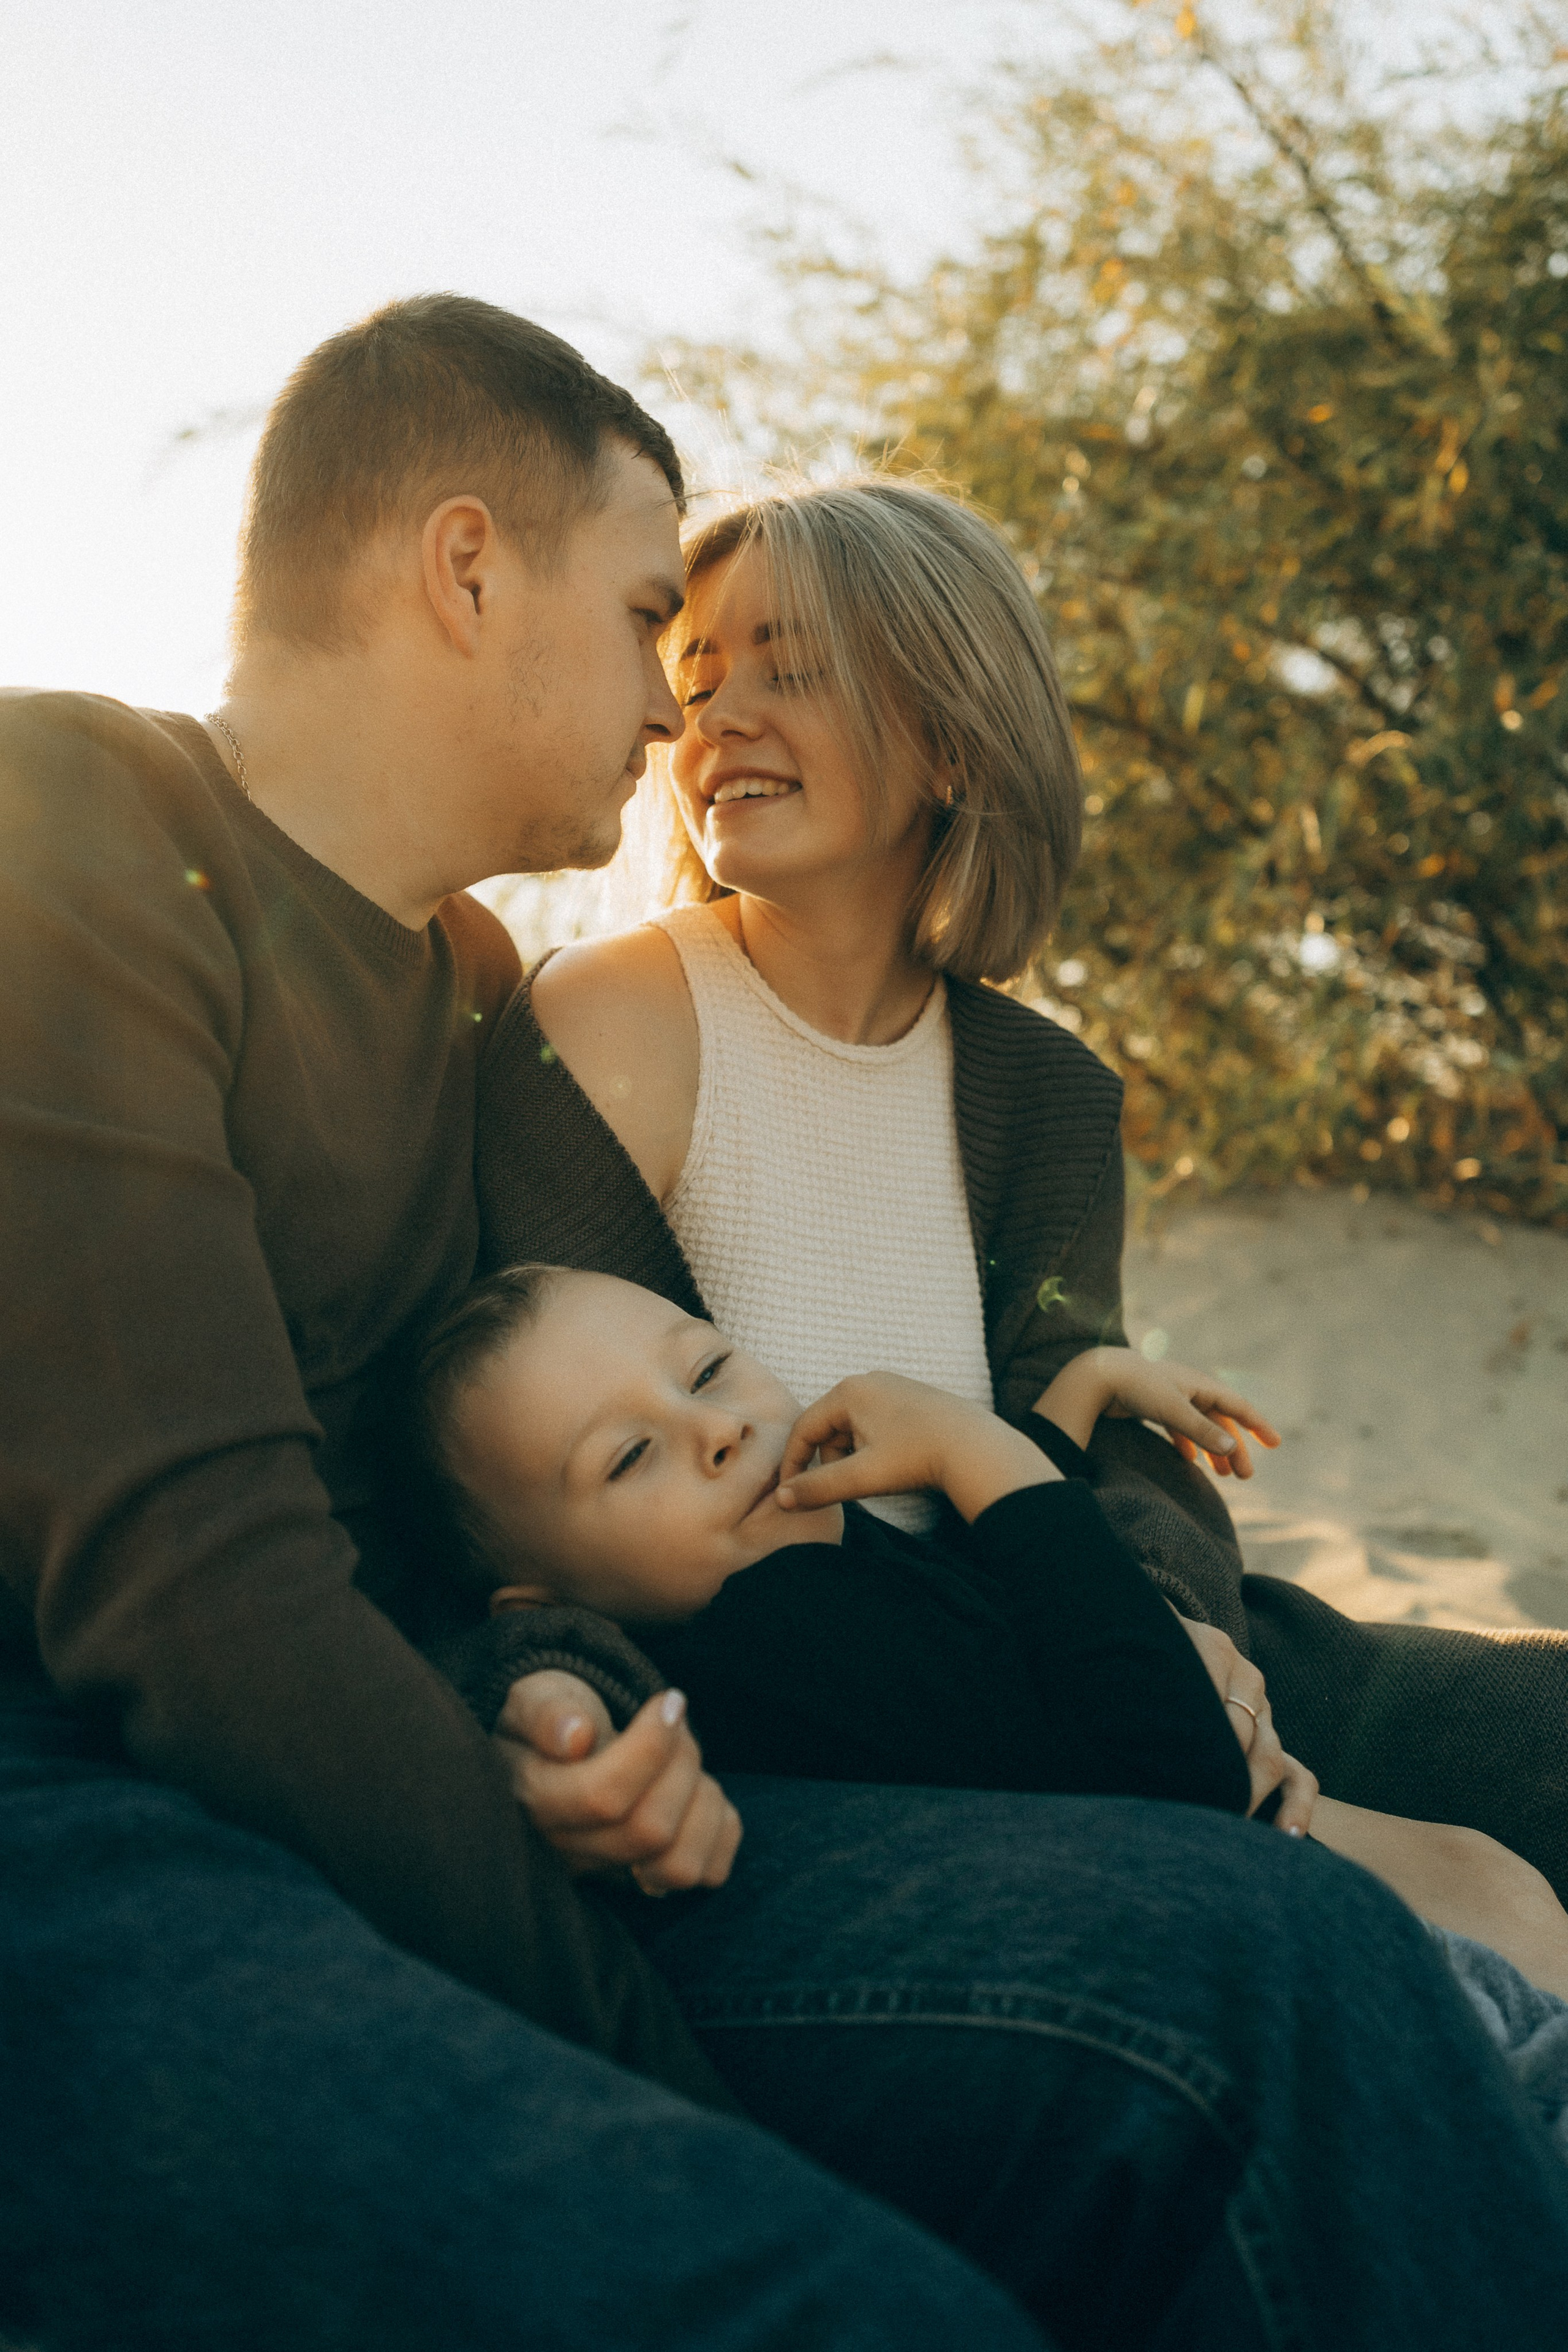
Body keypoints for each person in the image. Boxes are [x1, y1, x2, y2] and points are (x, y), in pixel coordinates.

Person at [7, 295, 1568, 2351]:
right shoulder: (76, 829)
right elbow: (232, 1582)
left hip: (624, 1723)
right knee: (1176, 2038)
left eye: (757, 658)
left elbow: (456, 1502)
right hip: (195, 1790)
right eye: (658, 615)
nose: (680, 709)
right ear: (469, 567)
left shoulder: (466, 976)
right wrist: (656, 2048)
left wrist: (544, 1701)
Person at [480, 474, 1568, 1901]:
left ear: (947, 737)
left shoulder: (1045, 1091)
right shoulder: (612, 1022)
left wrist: (1176, 1629)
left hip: (1095, 1625)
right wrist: (561, 1700)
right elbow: (548, 1489)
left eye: (789, 667)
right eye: (693, 673)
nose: (710, 717)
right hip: (900, 1711)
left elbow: (1096, 1461)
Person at [418, 1260, 1568, 1998]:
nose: (714, 1430)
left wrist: (1078, 1394)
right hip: (1424, 1996)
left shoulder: (825, 1568)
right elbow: (1174, 1772)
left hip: (1449, 1943)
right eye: (627, 1458)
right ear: (552, 1607)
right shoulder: (770, 1639)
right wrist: (982, 1454)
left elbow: (994, 1605)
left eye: (707, 1367)